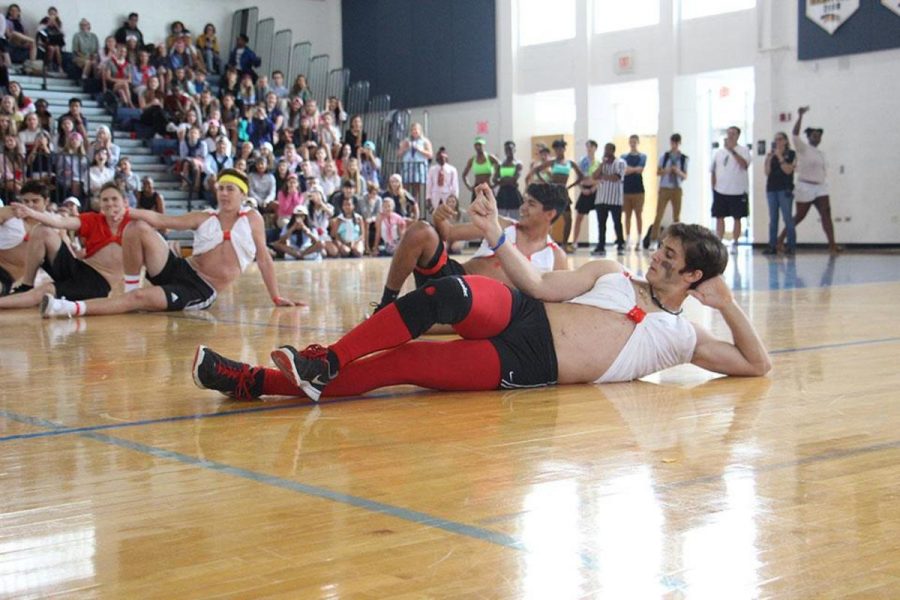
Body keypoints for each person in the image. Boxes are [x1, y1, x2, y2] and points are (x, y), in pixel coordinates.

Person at [193, 184, 771, 402]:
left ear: (694, 277)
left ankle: (253, 383)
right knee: (449, 292)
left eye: (669, 257)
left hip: (530, 361)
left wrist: (728, 304)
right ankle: (328, 359)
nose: (657, 257)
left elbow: (756, 365)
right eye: (661, 248)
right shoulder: (609, 273)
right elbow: (541, 284)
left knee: (403, 364)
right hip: (524, 311)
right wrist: (496, 231)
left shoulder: (683, 336)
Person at [40, 169, 301, 318]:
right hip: (180, 269)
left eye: (229, 189)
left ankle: (66, 308)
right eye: (220, 188)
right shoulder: (204, 217)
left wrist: (276, 296)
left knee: (141, 299)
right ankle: (131, 285)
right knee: (137, 227)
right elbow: (159, 218)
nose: (223, 193)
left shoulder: (252, 219)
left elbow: (264, 258)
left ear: (242, 194)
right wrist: (125, 212)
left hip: (201, 288)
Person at [371, 182, 569, 312]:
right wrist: (439, 219)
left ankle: (412, 311)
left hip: (478, 309)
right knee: (421, 230)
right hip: (452, 278)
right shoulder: (501, 224)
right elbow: (449, 233)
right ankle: (387, 303)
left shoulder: (557, 258)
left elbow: (556, 306)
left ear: (549, 214)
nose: (523, 208)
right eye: (524, 201)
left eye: (531, 204)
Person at [0, 182, 129, 311]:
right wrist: (31, 213)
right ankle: (26, 286)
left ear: (124, 202)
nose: (109, 203)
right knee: (42, 230)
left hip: (97, 283)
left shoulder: (132, 225)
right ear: (100, 203)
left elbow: (150, 220)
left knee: (46, 290)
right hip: (79, 268)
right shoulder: (93, 219)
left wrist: (131, 213)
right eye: (105, 199)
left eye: (114, 199)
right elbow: (60, 222)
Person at [778, 106, 841, 255]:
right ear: (809, 137)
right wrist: (800, 116)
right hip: (805, 187)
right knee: (800, 216)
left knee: (826, 214)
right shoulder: (803, 148)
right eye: (814, 135)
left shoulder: (820, 153)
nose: (817, 138)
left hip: (820, 188)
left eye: (819, 136)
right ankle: (780, 240)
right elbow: (794, 134)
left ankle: (832, 245)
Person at [527, 139, 583, 252]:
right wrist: (547, 183)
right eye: (556, 149)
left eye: (560, 148)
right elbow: (537, 170)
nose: (559, 151)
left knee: (568, 219)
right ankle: (545, 242)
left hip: (563, 191)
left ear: (564, 149)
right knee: (549, 218)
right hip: (553, 192)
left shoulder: (569, 163)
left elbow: (580, 176)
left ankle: (564, 244)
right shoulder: (552, 162)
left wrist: (570, 186)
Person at [710, 126, 751, 249]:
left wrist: (732, 150)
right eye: (729, 133)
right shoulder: (719, 152)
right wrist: (714, 187)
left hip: (738, 191)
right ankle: (719, 242)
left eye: (733, 133)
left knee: (737, 217)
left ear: (738, 135)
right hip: (721, 190)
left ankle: (736, 242)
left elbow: (744, 165)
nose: (730, 136)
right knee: (719, 217)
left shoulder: (743, 150)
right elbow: (713, 170)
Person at [650, 133, 688, 248]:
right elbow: (658, 172)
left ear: (679, 143)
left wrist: (677, 171)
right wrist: (667, 170)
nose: (674, 145)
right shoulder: (664, 157)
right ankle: (653, 240)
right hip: (665, 188)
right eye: (672, 143)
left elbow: (685, 175)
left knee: (676, 217)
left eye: (676, 143)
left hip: (677, 188)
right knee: (659, 215)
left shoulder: (683, 158)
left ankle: (677, 241)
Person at [591, 143, 627, 256]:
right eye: (605, 149)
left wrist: (603, 177)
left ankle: (620, 243)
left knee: (617, 223)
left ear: (613, 150)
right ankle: (601, 246)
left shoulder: (620, 163)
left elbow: (616, 177)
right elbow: (594, 176)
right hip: (601, 198)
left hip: (615, 199)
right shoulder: (603, 165)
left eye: (608, 150)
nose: (606, 152)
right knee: (601, 224)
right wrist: (602, 165)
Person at [763, 132, 796, 255]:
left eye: (780, 139)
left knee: (787, 218)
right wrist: (769, 158)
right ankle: (772, 246)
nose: (777, 141)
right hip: (771, 189)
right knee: (773, 219)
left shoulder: (791, 154)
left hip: (784, 189)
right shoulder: (772, 155)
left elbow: (788, 170)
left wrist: (780, 157)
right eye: (775, 139)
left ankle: (791, 246)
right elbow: (767, 172)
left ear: (786, 141)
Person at [572, 140, 600, 251]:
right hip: (585, 190)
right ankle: (575, 242)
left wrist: (594, 187)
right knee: (579, 217)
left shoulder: (598, 162)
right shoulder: (582, 161)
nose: (589, 149)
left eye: (591, 146)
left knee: (600, 217)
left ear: (595, 148)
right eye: (587, 146)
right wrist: (582, 189)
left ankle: (599, 242)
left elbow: (600, 178)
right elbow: (579, 178)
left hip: (595, 190)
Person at [396, 122, 432, 210]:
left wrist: (420, 150)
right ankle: (405, 208)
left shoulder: (425, 141)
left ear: (420, 131)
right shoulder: (406, 141)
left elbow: (430, 155)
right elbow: (398, 154)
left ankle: (414, 209)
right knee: (405, 189)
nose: (414, 131)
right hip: (408, 167)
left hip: (418, 168)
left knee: (416, 190)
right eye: (412, 130)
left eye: (416, 129)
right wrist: (405, 148)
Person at [621, 134, 647, 250]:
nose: (633, 144)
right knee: (627, 215)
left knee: (638, 215)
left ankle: (639, 239)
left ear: (638, 142)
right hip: (626, 190)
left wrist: (631, 169)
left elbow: (640, 169)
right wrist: (634, 169)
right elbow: (624, 171)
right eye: (631, 142)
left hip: (638, 190)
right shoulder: (624, 156)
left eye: (635, 142)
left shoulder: (642, 156)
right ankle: (627, 239)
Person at [425, 146, 459, 216]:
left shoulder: (452, 170)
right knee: (435, 213)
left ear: (446, 158)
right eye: (440, 157)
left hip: (447, 194)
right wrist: (428, 198)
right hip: (435, 193)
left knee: (447, 213)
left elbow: (455, 185)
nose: (442, 159)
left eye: (443, 157)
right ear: (437, 158)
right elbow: (429, 184)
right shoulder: (432, 169)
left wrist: (455, 198)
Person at [494, 141, 523, 220]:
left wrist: (502, 180)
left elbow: (515, 178)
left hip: (513, 193)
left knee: (515, 218)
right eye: (506, 149)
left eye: (510, 149)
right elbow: (494, 179)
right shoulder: (500, 164)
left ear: (514, 150)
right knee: (501, 217)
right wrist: (508, 180)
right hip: (502, 194)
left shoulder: (518, 164)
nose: (508, 151)